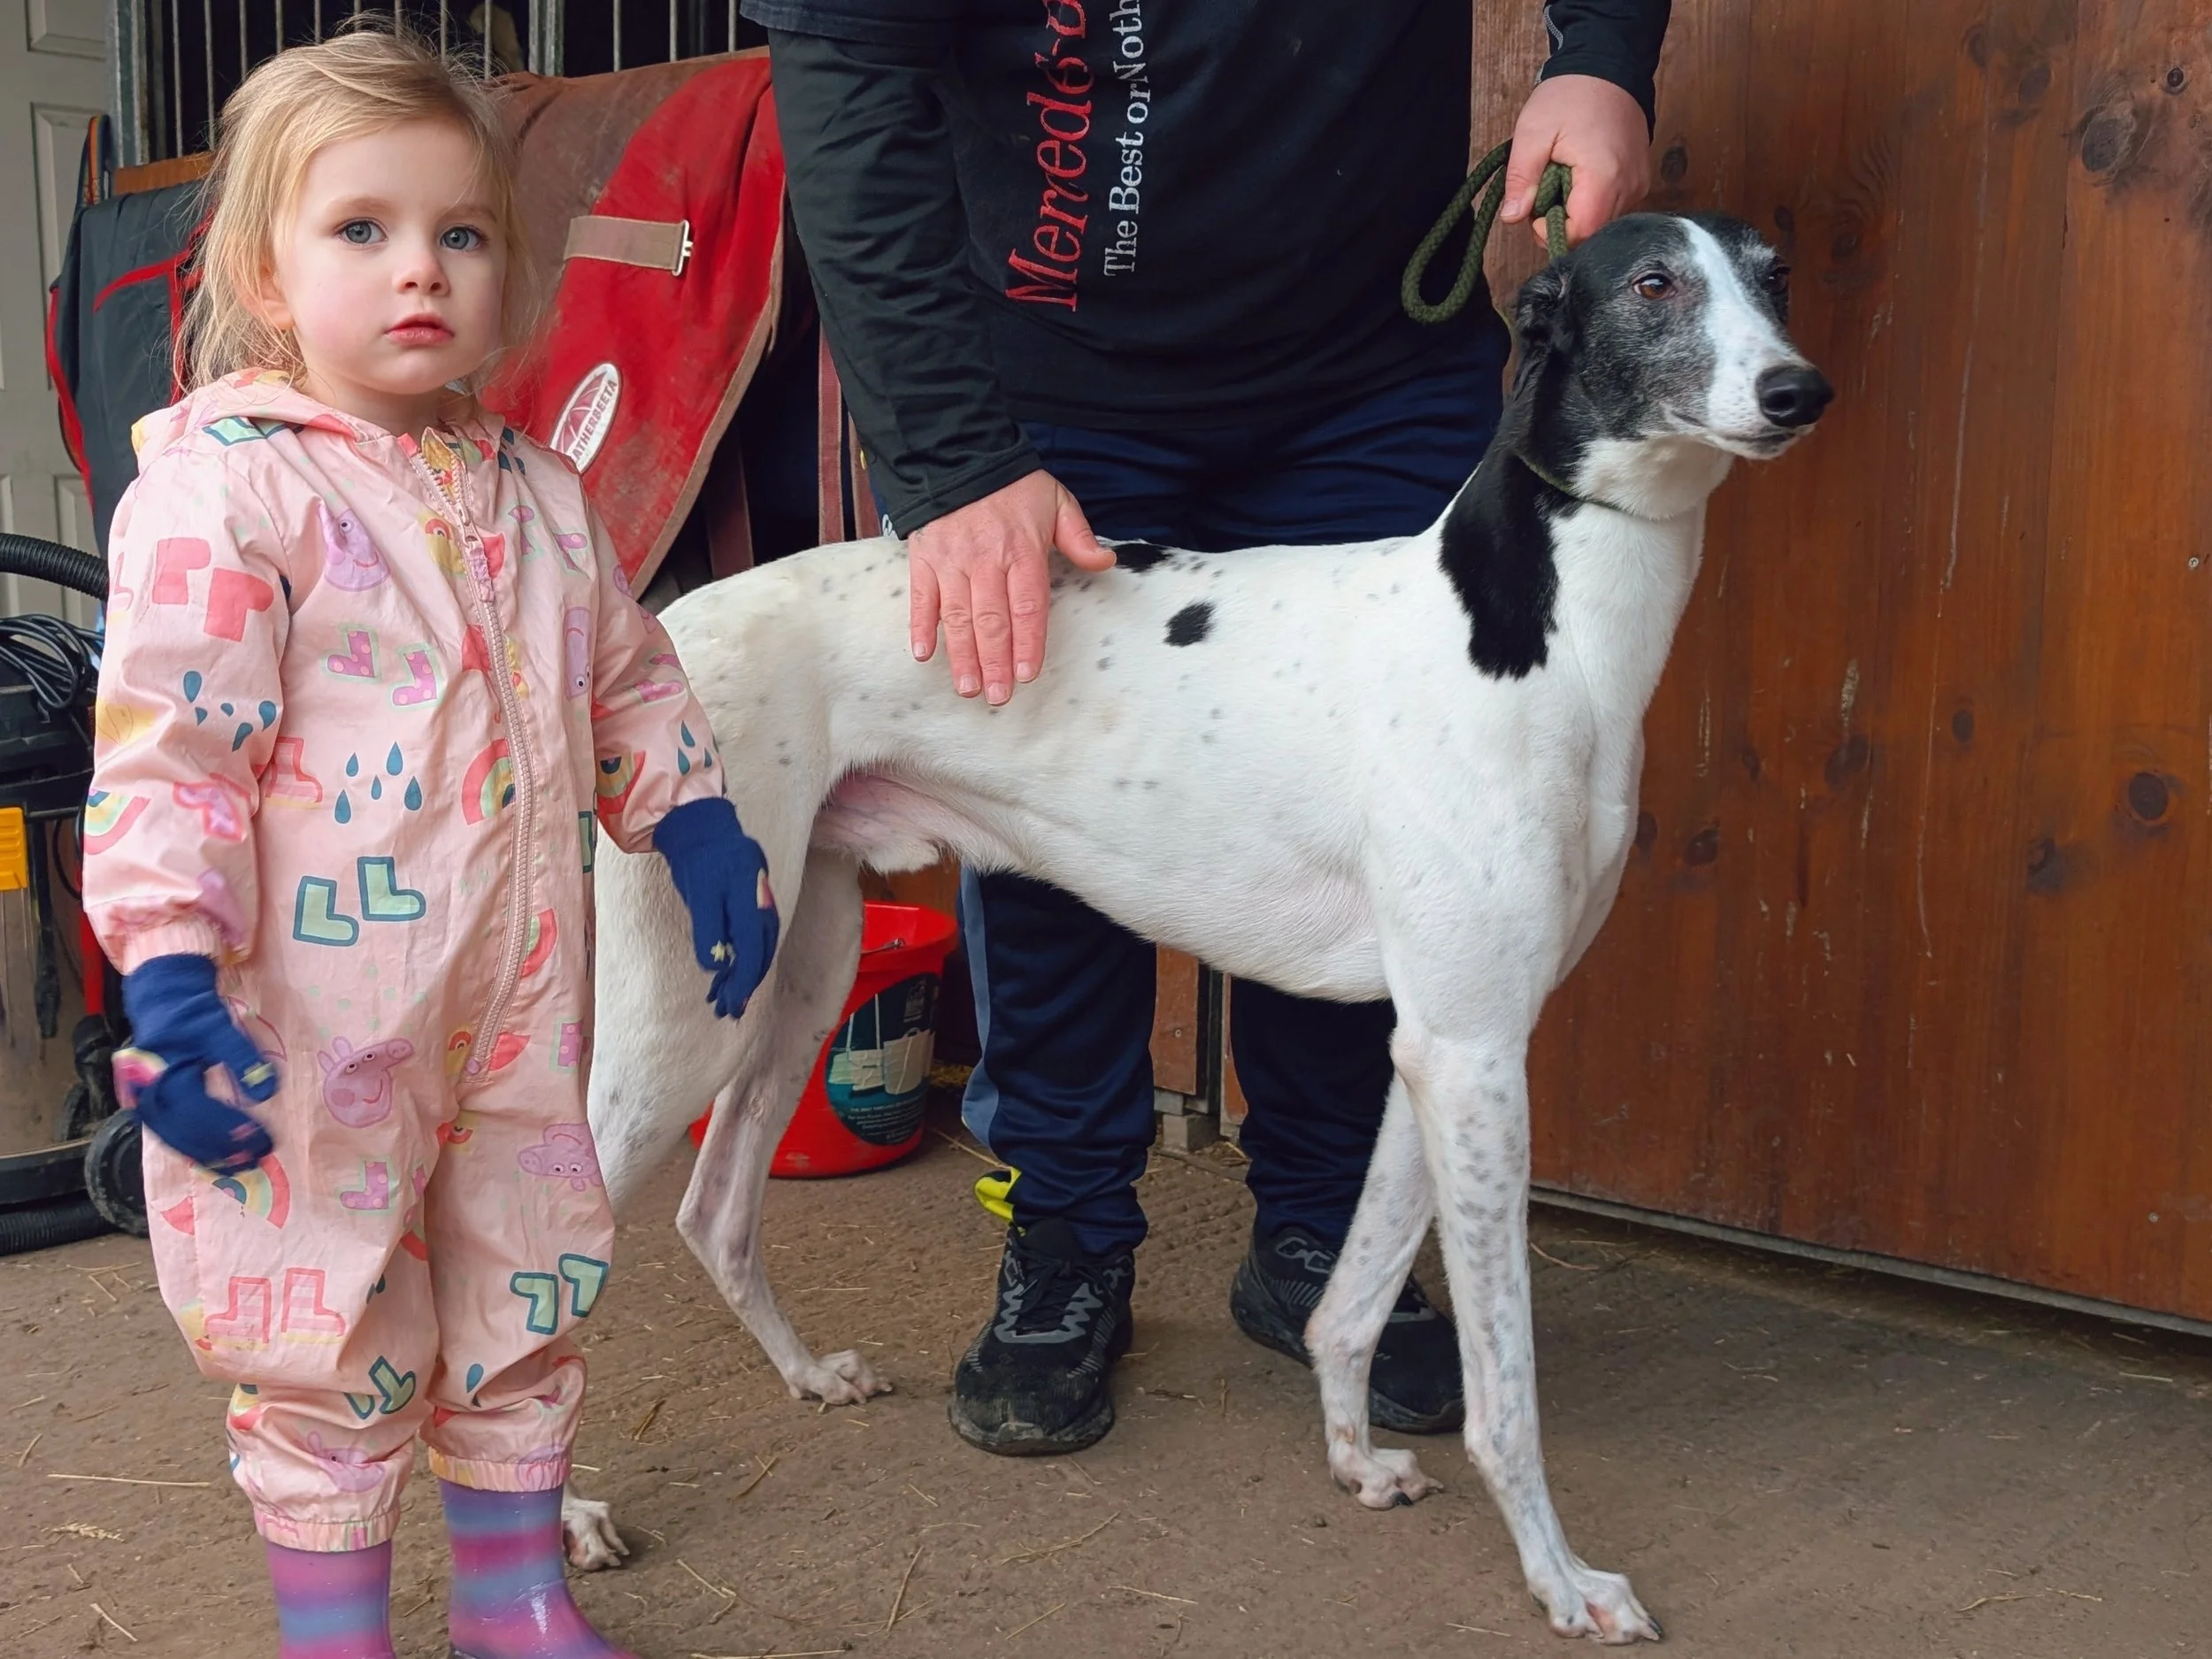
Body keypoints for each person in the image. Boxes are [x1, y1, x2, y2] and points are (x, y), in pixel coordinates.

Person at [745, 0, 1671, 1455]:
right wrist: (951, 455)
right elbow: (847, 63)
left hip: (1375, 354)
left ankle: (1317, 1230)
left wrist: (1604, 54)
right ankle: (1063, 1235)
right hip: (1050, 369)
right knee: (1046, 802)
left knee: (1394, 809)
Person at [81, 29, 777, 1659]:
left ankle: (512, 1591)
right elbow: (169, 757)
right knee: (328, 1309)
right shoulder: (224, 500)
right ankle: (336, 1627)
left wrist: (696, 815)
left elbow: (620, 671)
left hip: (521, 1006)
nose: (421, 273)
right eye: (363, 230)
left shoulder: (537, 486)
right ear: (264, 267)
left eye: (461, 235)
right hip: (310, 1025)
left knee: (526, 1276)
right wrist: (171, 969)